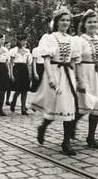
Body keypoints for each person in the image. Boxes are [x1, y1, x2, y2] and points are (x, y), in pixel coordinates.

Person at [29, 9, 79, 156]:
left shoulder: (72, 39)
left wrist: (76, 77)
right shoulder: (50, 38)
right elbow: (46, 58)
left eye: (68, 20)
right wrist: (50, 77)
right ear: (56, 22)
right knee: (54, 106)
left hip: (67, 74)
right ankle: (43, 127)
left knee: (68, 107)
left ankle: (66, 143)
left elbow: (74, 60)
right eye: (62, 20)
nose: (65, 23)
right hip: (54, 72)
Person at [72, 9, 98, 148]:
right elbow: (76, 62)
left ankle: (91, 137)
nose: (93, 24)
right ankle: (72, 123)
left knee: (96, 107)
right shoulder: (79, 40)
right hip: (85, 73)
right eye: (90, 22)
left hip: (97, 75)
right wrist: (80, 80)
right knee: (84, 106)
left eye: (95, 22)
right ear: (84, 24)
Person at [9, 34, 32, 115]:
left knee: (25, 89)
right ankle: (14, 101)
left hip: (24, 69)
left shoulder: (27, 51)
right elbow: (11, 63)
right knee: (18, 89)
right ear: (19, 41)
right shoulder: (13, 50)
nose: (25, 42)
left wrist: (29, 73)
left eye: (26, 40)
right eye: (24, 40)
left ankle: (23, 108)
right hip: (17, 69)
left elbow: (28, 63)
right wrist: (11, 74)